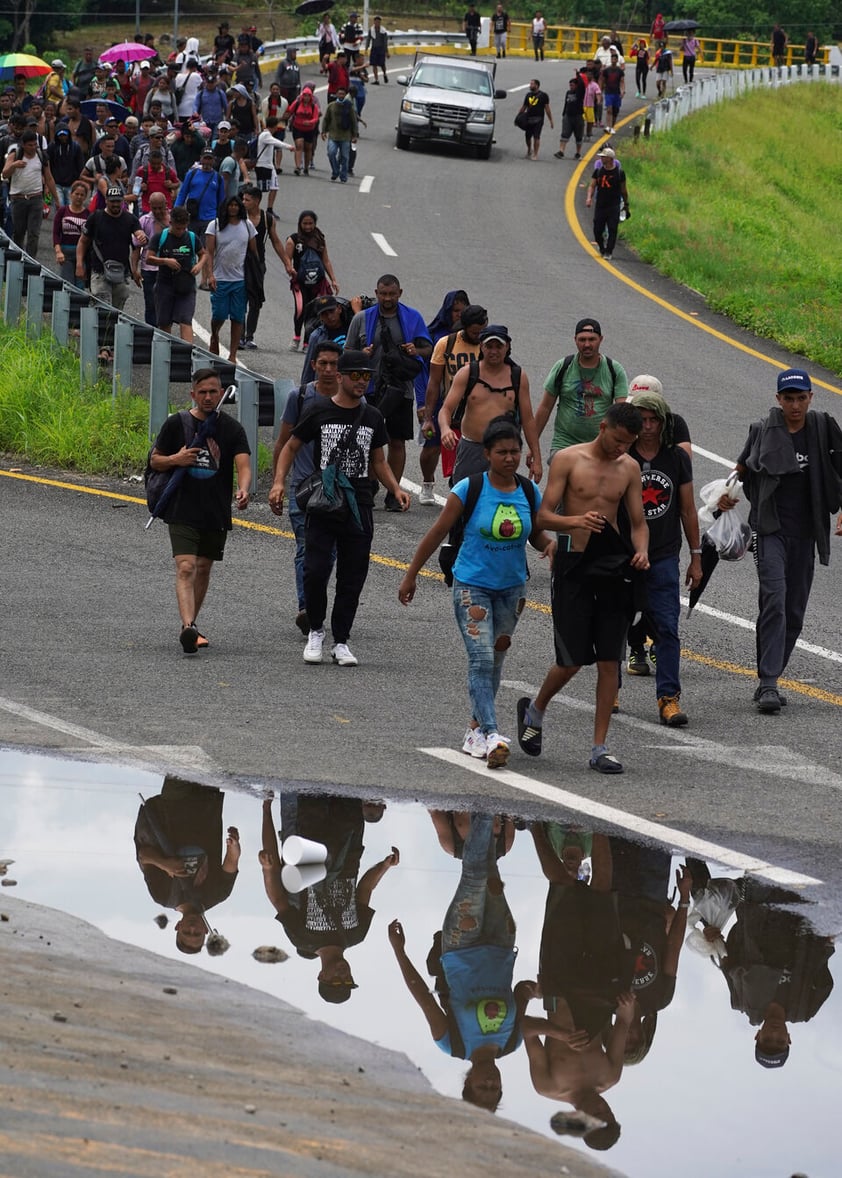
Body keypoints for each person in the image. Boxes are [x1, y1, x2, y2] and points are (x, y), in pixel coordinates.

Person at [399, 417, 552, 766]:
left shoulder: (529, 491)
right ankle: (493, 732)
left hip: (512, 590)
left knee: (495, 660)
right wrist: (411, 576)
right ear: (486, 454)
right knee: (481, 658)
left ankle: (475, 730)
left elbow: (535, 533)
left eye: (515, 451)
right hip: (471, 586)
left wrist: (551, 547)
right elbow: (437, 532)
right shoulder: (469, 488)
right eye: (502, 452)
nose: (510, 458)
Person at [516, 402, 648, 775]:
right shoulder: (568, 459)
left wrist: (641, 551)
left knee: (610, 660)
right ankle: (536, 709)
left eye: (629, 444)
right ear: (603, 427)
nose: (622, 449)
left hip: (613, 566)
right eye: (618, 440)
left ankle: (599, 748)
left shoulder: (630, 468)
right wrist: (577, 520)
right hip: (574, 564)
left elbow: (639, 522)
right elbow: (541, 516)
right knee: (571, 660)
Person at [269, 350, 411, 666]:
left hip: (359, 504)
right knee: (315, 570)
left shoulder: (373, 416)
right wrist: (279, 482)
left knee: (352, 575)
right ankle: (316, 631)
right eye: (356, 375)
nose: (362, 381)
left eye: (367, 376)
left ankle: (342, 641)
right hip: (325, 502)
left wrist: (396, 488)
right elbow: (290, 446)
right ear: (342, 377)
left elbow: (378, 460)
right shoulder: (318, 410)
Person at [717, 368, 842, 714]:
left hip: (806, 533)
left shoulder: (821, 428)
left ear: (810, 398)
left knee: (794, 612)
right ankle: (769, 682)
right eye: (788, 399)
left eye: (801, 398)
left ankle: (769, 675)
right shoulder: (762, 431)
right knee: (774, 598)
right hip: (769, 530)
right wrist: (726, 494)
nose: (795, 405)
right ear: (778, 400)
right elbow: (741, 469)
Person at [387, 814, 526, 1109]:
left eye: (482, 1087)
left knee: (475, 874)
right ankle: (483, 811)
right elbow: (523, 991)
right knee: (488, 869)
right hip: (502, 941)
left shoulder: (452, 1044)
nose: (490, 1082)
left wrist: (399, 951)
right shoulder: (512, 1043)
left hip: (460, 947)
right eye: (495, 1088)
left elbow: (424, 997)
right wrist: (541, 991)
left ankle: (483, 808)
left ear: (468, 1082)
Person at [148, 367, 251, 654]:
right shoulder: (176, 423)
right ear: (193, 394)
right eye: (202, 392)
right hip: (182, 508)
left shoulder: (232, 429)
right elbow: (155, 461)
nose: (208, 397)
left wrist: (243, 489)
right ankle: (188, 626)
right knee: (186, 566)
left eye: (213, 391)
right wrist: (176, 458)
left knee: (204, 567)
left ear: (221, 393)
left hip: (215, 510)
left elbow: (243, 464)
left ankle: (192, 623)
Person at [260, 792, 397, 1001]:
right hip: (348, 848)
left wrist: (268, 870)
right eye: (348, 980)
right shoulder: (356, 935)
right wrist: (384, 866)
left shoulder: (302, 939)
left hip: (308, 849)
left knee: (308, 789)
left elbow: (278, 900)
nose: (343, 976)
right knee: (348, 789)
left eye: (335, 980)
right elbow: (364, 890)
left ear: (321, 976)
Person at [623, 386, 701, 726]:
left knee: (667, 627)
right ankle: (609, 689)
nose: (649, 426)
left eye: (655, 419)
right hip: (623, 554)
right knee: (615, 624)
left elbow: (687, 508)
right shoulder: (621, 456)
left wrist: (696, 556)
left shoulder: (677, 458)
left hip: (665, 555)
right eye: (642, 419)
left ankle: (668, 698)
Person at [345, 274, 433, 509]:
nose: (387, 298)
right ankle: (369, 487)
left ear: (400, 293)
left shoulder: (413, 318)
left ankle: (394, 493)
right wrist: (361, 354)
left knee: (397, 441)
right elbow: (346, 352)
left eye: (392, 294)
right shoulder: (362, 318)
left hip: (399, 390)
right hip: (367, 388)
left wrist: (416, 350)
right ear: (376, 293)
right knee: (366, 440)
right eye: (383, 294)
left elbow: (429, 350)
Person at [273, 339, 343, 636]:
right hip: (303, 489)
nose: (328, 369)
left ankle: (315, 600)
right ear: (313, 365)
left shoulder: (354, 400)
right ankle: (307, 608)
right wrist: (278, 482)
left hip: (338, 492)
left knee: (329, 554)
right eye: (322, 363)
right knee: (306, 548)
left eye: (334, 364)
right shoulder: (299, 397)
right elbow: (284, 443)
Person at [134, 777, 240, 954]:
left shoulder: (163, 896)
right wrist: (234, 846)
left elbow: (143, 855)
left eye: (186, 932)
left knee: (181, 758)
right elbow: (231, 864)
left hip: (173, 804)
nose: (192, 928)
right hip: (206, 804)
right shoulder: (218, 894)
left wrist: (165, 864)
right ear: (206, 931)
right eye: (197, 933)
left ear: (177, 926)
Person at [439, 324, 542, 487]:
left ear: (507, 346)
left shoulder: (518, 376)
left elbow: (528, 420)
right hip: (471, 449)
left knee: (499, 501)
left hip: (503, 452)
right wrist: (445, 429)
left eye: (498, 346)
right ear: (481, 346)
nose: (494, 351)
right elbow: (446, 409)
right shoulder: (468, 373)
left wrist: (537, 457)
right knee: (464, 500)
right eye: (489, 346)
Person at [533, 317, 629, 462]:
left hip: (601, 446)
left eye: (592, 339)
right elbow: (545, 408)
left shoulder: (614, 370)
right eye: (582, 339)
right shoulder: (563, 367)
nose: (587, 344)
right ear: (575, 340)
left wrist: (620, 448)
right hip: (564, 444)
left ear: (601, 339)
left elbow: (621, 413)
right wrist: (533, 448)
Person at [419, 301, 487, 502]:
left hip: (478, 414)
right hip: (451, 410)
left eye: (482, 332)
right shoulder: (446, 344)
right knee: (435, 451)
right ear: (464, 327)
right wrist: (428, 417)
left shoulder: (489, 347)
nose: (479, 337)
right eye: (475, 333)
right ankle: (428, 483)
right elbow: (434, 382)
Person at [77, 185, 146, 355]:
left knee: (116, 311)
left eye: (118, 201)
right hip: (99, 271)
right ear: (106, 201)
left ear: (123, 201)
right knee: (104, 309)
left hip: (121, 274)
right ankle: (104, 349)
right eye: (112, 201)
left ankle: (106, 342)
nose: (115, 204)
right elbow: (83, 241)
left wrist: (140, 236)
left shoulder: (130, 219)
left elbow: (138, 232)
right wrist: (79, 264)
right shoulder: (96, 218)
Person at [203, 193, 258, 365]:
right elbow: (209, 252)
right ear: (225, 207)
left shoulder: (247, 225)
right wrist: (210, 275)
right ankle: (215, 335)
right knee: (219, 314)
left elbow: (253, 252)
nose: (233, 208)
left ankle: (233, 354)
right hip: (220, 278)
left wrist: (256, 275)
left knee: (237, 317)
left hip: (240, 280)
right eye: (230, 205)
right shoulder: (215, 225)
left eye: (236, 205)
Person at [146, 203, 205, 343]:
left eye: (184, 228)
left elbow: (203, 254)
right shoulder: (160, 237)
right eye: (178, 228)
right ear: (171, 223)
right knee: (165, 322)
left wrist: (199, 265)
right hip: (165, 285)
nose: (181, 231)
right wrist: (165, 261)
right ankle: (167, 355)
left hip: (186, 285)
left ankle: (187, 356)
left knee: (186, 321)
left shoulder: (191, 237)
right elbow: (149, 258)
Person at [284, 210, 339, 351]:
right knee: (301, 309)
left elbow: (326, 260)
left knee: (314, 311)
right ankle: (296, 337)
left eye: (311, 223)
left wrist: (333, 280)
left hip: (318, 283)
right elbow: (287, 259)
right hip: (300, 283)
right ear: (299, 224)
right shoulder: (293, 240)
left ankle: (307, 342)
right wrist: (290, 269)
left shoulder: (320, 239)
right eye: (305, 223)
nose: (308, 227)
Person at [3, 129, 59, 257]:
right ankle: (17, 260)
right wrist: (14, 165)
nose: (33, 147)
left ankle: (31, 261)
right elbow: (4, 173)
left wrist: (56, 199)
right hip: (18, 199)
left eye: (35, 144)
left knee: (34, 233)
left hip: (36, 198)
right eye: (30, 145)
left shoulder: (41, 156)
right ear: (23, 144)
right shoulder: (15, 154)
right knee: (19, 232)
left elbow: (49, 178)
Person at [585, 146, 629, 261]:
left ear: (610, 159)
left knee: (612, 228)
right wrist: (589, 198)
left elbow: (624, 190)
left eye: (604, 157)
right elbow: (592, 185)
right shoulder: (598, 171)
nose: (601, 159)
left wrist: (626, 204)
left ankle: (609, 251)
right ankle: (601, 246)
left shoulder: (619, 173)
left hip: (613, 205)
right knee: (597, 229)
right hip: (600, 204)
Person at [174, 148, 225, 242]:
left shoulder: (218, 178)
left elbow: (221, 200)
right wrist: (176, 210)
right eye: (205, 158)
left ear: (213, 160)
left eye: (210, 159)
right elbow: (182, 194)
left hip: (210, 218)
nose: (207, 161)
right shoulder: (191, 174)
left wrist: (221, 217)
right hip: (193, 216)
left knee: (204, 248)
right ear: (201, 159)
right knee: (191, 244)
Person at [138, 192, 170, 325]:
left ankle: (164, 331)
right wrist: (135, 269)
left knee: (166, 302)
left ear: (166, 205)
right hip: (148, 268)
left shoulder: (172, 220)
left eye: (160, 208)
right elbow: (135, 247)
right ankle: (151, 333)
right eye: (154, 208)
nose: (157, 211)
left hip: (168, 268)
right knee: (150, 302)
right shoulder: (144, 221)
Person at [52, 180, 90, 288]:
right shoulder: (63, 211)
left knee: (80, 286)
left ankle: (77, 305)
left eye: (82, 195)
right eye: (76, 194)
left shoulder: (88, 214)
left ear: (85, 197)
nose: (79, 197)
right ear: (71, 194)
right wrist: (58, 251)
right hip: (66, 253)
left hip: (82, 255)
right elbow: (55, 233)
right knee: (67, 285)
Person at [320, 85, 358, 183]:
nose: (341, 95)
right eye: (339, 93)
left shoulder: (349, 106)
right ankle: (335, 171)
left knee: (345, 157)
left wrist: (354, 135)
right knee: (331, 153)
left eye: (343, 94)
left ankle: (343, 175)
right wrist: (323, 131)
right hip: (333, 135)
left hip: (345, 136)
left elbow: (354, 121)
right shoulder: (331, 106)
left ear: (345, 95)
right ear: (336, 94)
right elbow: (326, 119)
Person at [287, 85, 321, 176]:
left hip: (309, 129)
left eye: (308, 96)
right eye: (305, 95)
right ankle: (298, 166)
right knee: (299, 145)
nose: (306, 98)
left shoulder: (314, 106)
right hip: (297, 127)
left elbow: (316, 118)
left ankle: (306, 167)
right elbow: (290, 110)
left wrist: (310, 122)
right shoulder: (297, 103)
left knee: (308, 148)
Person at [518, 78, 554, 161]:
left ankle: (535, 154)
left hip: (539, 119)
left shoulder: (543, 95)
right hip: (529, 118)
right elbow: (524, 107)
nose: (530, 85)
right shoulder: (528, 95)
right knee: (527, 136)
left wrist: (551, 120)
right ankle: (529, 149)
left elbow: (547, 108)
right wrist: (518, 117)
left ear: (537, 85)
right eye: (530, 84)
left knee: (536, 137)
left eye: (532, 84)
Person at [554, 74, 585, 159]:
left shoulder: (580, 93)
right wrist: (564, 114)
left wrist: (578, 76)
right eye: (570, 85)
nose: (571, 87)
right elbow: (566, 103)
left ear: (576, 86)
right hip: (568, 116)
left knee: (578, 136)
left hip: (578, 117)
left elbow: (582, 85)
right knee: (564, 134)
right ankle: (561, 151)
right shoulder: (568, 92)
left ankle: (578, 153)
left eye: (572, 85)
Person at [600, 50, 625, 131]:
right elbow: (602, 81)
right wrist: (600, 91)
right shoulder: (606, 71)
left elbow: (622, 82)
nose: (613, 60)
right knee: (609, 109)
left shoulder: (620, 71)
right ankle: (608, 126)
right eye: (612, 59)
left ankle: (612, 127)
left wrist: (622, 91)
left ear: (617, 60)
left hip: (616, 92)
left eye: (615, 59)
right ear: (610, 60)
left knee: (615, 111)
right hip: (608, 92)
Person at [366, 16, 390, 83]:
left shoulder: (383, 31)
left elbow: (385, 42)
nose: (377, 23)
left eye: (378, 22)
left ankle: (384, 74)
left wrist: (386, 52)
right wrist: (366, 48)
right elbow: (368, 39)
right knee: (374, 64)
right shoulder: (371, 30)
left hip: (381, 49)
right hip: (374, 49)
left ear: (380, 22)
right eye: (376, 21)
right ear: (374, 22)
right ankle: (376, 79)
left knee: (382, 64)